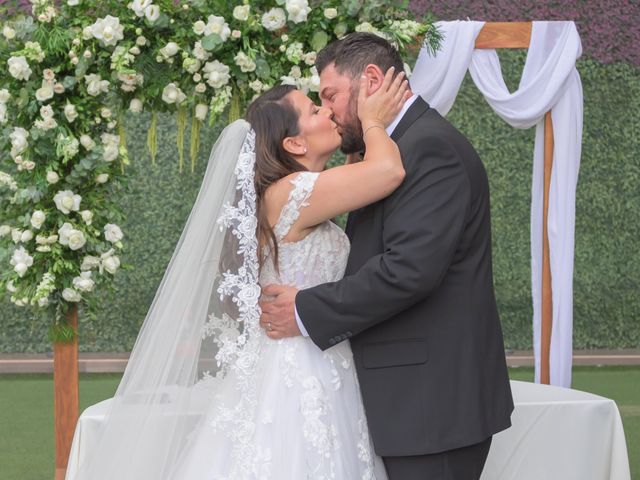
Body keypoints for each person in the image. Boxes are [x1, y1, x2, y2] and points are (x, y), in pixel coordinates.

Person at [68, 65, 410, 479]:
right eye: (312, 109)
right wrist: (373, 120)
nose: (326, 110)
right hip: (299, 369)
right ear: (294, 142)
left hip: (324, 353)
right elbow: (389, 172)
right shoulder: (291, 193)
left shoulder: (303, 190)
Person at [258, 32, 515, 480]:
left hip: (431, 406)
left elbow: (408, 271)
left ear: (371, 80)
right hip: (401, 402)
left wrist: (303, 309)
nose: (331, 112)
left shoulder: (429, 149)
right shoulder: (388, 151)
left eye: (331, 96)